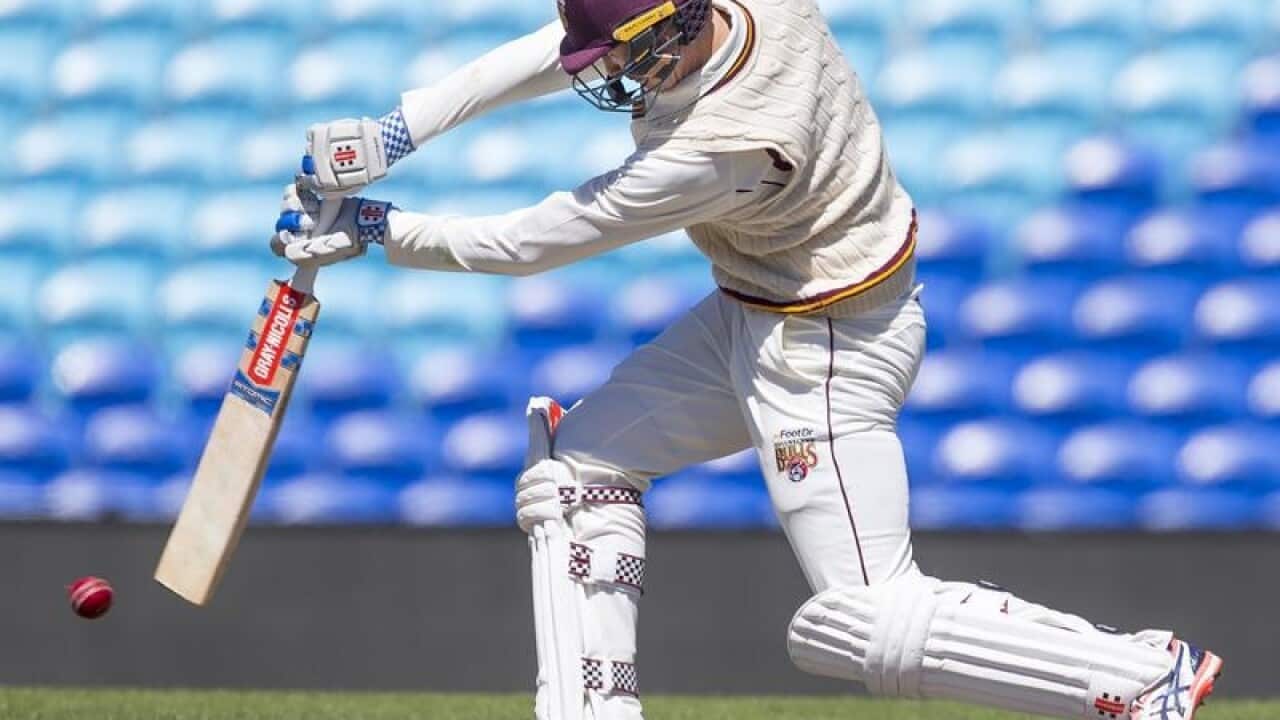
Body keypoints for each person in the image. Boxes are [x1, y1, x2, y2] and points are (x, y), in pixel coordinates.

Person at [270, 1, 1223, 718]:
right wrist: (399, 132)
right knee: (576, 469)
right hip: (754, 313)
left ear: (683, 24)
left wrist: (384, 230)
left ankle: (1142, 678)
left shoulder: (727, 141)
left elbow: (540, 241)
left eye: (636, 58)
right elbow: (551, 54)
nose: (622, 81)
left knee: (856, 619)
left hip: (829, 346)